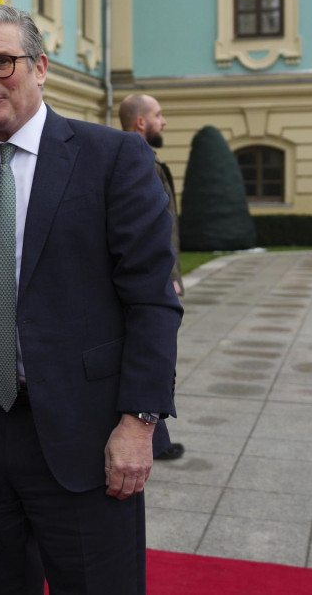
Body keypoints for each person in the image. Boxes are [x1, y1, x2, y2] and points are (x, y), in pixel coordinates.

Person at [0, 4, 182, 595]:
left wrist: (138, 424)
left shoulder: (114, 159)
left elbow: (151, 301)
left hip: (90, 438)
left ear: (40, 68)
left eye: (1, 61)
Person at [119, 93, 186, 462]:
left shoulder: (142, 161)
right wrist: (169, 277)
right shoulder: (135, 164)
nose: (164, 122)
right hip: (155, 279)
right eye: (158, 115)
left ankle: (155, 436)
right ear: (140, 122)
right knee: (151, 351)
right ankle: (153, 437)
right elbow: (152, 232)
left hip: (160, 275)